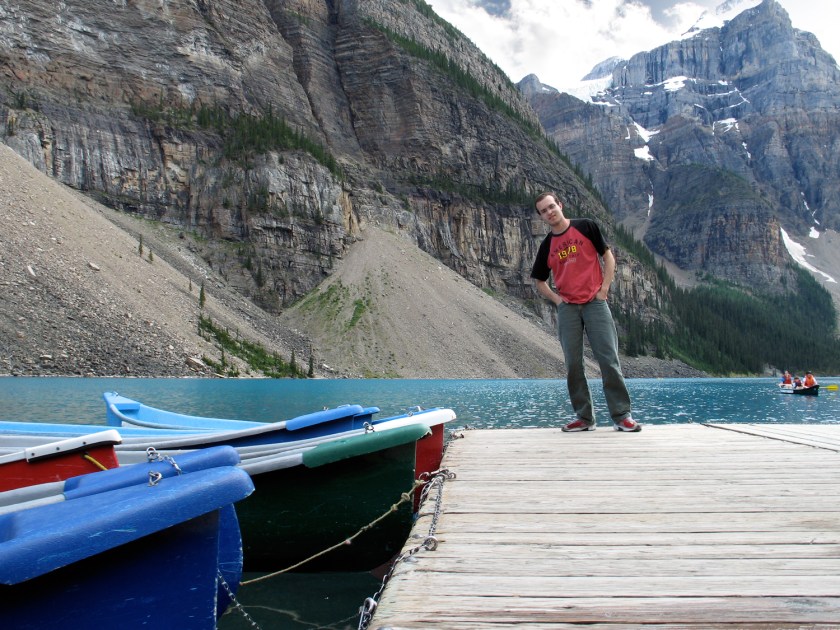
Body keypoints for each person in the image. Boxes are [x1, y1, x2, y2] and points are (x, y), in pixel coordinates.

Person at [530, 191, 640, 433]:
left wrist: (604, 290)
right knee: (573, 364)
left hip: (595, 303)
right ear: (540, 216)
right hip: (568, 308)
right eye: (544, 211)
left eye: (551, 207)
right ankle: (584, 417)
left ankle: (622, 415)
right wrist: (558, 301)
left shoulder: (586, 227)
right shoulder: (547, 244)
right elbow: (539, 280)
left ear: (560, 204)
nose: (549, 212)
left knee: (608, 360)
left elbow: (608, 256)